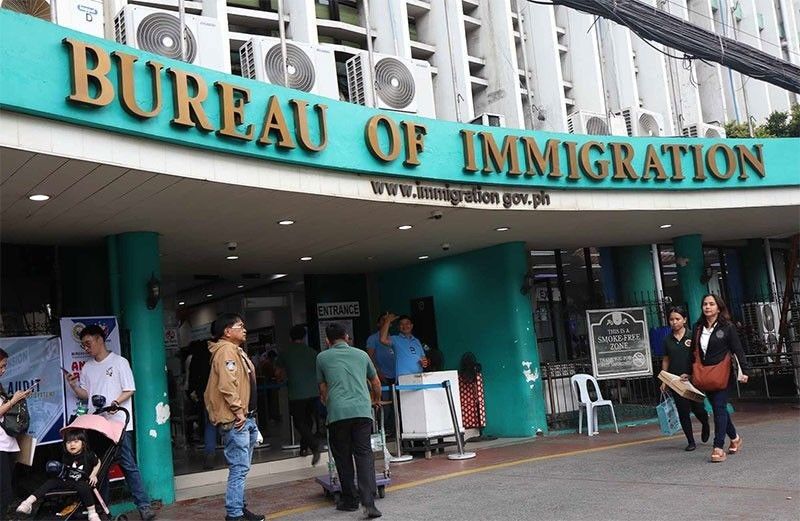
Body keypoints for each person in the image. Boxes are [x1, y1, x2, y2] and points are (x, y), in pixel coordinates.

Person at [64, 325, 156, 521]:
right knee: (99, 468)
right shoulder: (87, 368)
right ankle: (102, 510)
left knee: (128, 465)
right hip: (96, 426)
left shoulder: (120, 362)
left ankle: (144, 506)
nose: (86, 348)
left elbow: (129, 389)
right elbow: (86, 395)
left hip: (118, 424)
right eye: (83, 345)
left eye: (88, 343)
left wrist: (115, 403)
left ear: (99, 339)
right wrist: (73, 385)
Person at [316, 323, 383, 519]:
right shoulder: (362, 355)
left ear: (327, 340)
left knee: (343, 456)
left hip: (338, 413)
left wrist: (328, 402)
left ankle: (350, 500)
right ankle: (369, 502)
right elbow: (376, 382)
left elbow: (323, 388)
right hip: (362, 411)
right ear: (347, 337)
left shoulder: (322, 357)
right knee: (364, 455)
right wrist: (376, 400)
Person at [204, 314, 264, 521]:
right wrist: (239, 411)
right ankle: (234, 514)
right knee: (239, 468)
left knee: (241, 468)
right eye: (240, 326)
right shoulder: (226, 351)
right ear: (227, 331)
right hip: (236, 418)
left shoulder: (235, 350)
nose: (245, 329)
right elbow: (227, 385)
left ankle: (239, 507)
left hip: (245, 417)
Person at [682, 294, 750, 463]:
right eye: (705, 304)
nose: (707, 307)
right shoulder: (698, 327)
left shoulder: (727, 327)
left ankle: (718, 447)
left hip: (723, 373)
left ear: (719, 308)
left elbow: (737, 349)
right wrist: (688, 372)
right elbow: (693, 352)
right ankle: (735, 438)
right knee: (719, 409)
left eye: (711, 304)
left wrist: (745, 370)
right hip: (705, 374)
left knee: (719, 407)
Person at [16, 429, 102, 521]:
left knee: (83, 486)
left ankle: (92, 512)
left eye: (76, 441)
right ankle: (27, 502)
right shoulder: (66, 456)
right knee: (50, 482)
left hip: (81, 481)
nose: (72, 444)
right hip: (67, 480)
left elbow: (98, 462)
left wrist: (93, 475)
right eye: (68, 442)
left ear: (83, 443)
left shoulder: (89, 455)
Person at [659, 306, 710, 451]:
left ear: (684, 320)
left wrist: (695, 374)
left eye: (677, 319)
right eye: (671, 319)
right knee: (683, 411)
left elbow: (700, 357)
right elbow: (666, 360)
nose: (674, 322)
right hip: (676, 381)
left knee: (698, 408)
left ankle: (705, 423)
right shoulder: (667, 340)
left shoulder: (692, 336)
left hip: (693, 379)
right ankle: (690, 441)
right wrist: (664, 379)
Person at [274, 325, 321, 465]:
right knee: (309, 420)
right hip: (314, 392)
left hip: (296, 393)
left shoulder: (285, 353)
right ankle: (303, 448)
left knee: (299, 422)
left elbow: (278, 373)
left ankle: (313, 445)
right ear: (304, 337)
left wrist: (281, 379)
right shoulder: (313, 352)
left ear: (290, 338)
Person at [0, 348, 34, 521]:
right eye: (1, 366)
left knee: (7, 489)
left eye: (5, 366)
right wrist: (13, 401)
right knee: (4, 490)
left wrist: (17, 399)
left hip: (7, 443)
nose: (3, 370)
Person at [186, 339, 217, 470]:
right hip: (220, 393)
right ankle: (230, 455)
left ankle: (209, 454)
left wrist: (193, 392)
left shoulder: (196, 357)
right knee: (227, 424)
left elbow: (192, 377)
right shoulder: (216, 353)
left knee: (210, 423)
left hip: (204, 394)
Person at [366, 313, 396, 435]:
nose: (386, 322)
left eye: (388, 320)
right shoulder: (373, 339)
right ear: (378, 324)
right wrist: (378, 372)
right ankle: (383, 430)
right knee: (384, 405)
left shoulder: (393, 339)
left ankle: (394, 430)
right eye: (383, 320)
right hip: (381, 377)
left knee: (396, 404)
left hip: (396, 376)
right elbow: (370, 357)